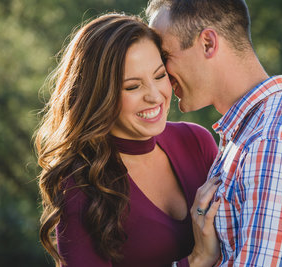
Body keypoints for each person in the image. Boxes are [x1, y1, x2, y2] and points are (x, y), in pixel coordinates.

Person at [146, 0, 282, 266]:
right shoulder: (250, 136)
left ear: (208, 43)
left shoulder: (277, 144)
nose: (162, 73)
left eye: (165, 57)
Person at [35, 13, 222, 267]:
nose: (155, 96)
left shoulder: (197, 142)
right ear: (100, 95)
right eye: (133, 87)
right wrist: (197, 261)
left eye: (159, 76)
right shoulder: (79, 185)